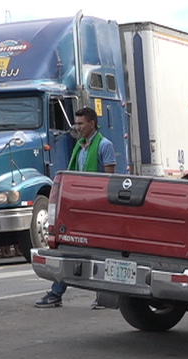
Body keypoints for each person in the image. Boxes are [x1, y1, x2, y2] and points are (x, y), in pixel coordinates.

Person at [35, 107, 116, 308]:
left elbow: (109, 179)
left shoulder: (104, 145)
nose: (77, 127)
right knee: (68, 248)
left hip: (96, 209)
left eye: (80, 123)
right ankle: (56, 293)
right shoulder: (80, 146)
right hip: (78, 209)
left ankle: (101, 297)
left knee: (99, 253)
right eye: (76, 123)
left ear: (92, 123)